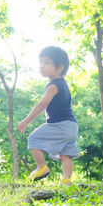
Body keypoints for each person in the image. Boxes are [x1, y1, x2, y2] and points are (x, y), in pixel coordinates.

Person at [17, 46, 79, 185]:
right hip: (72, 127)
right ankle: (66, 180)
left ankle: (41, 167)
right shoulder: (62, 83)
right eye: (40, 62)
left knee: (33, 138)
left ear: (60, 67)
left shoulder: (53, 85)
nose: (41, 66)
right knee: (65, 153)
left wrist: (26, 121)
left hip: (60, 125)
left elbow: (41, 105)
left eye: (46, 63)